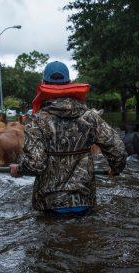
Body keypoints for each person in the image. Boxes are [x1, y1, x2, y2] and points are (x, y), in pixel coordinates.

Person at [10, 61, 127, 214]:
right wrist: (115, 169)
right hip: (84, 201)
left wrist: (19, 168)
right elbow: (118, 151)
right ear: (69, 84)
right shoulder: (91, 117)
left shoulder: (36, 120)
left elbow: (35, 164)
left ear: (44, 84)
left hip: (49, 204)